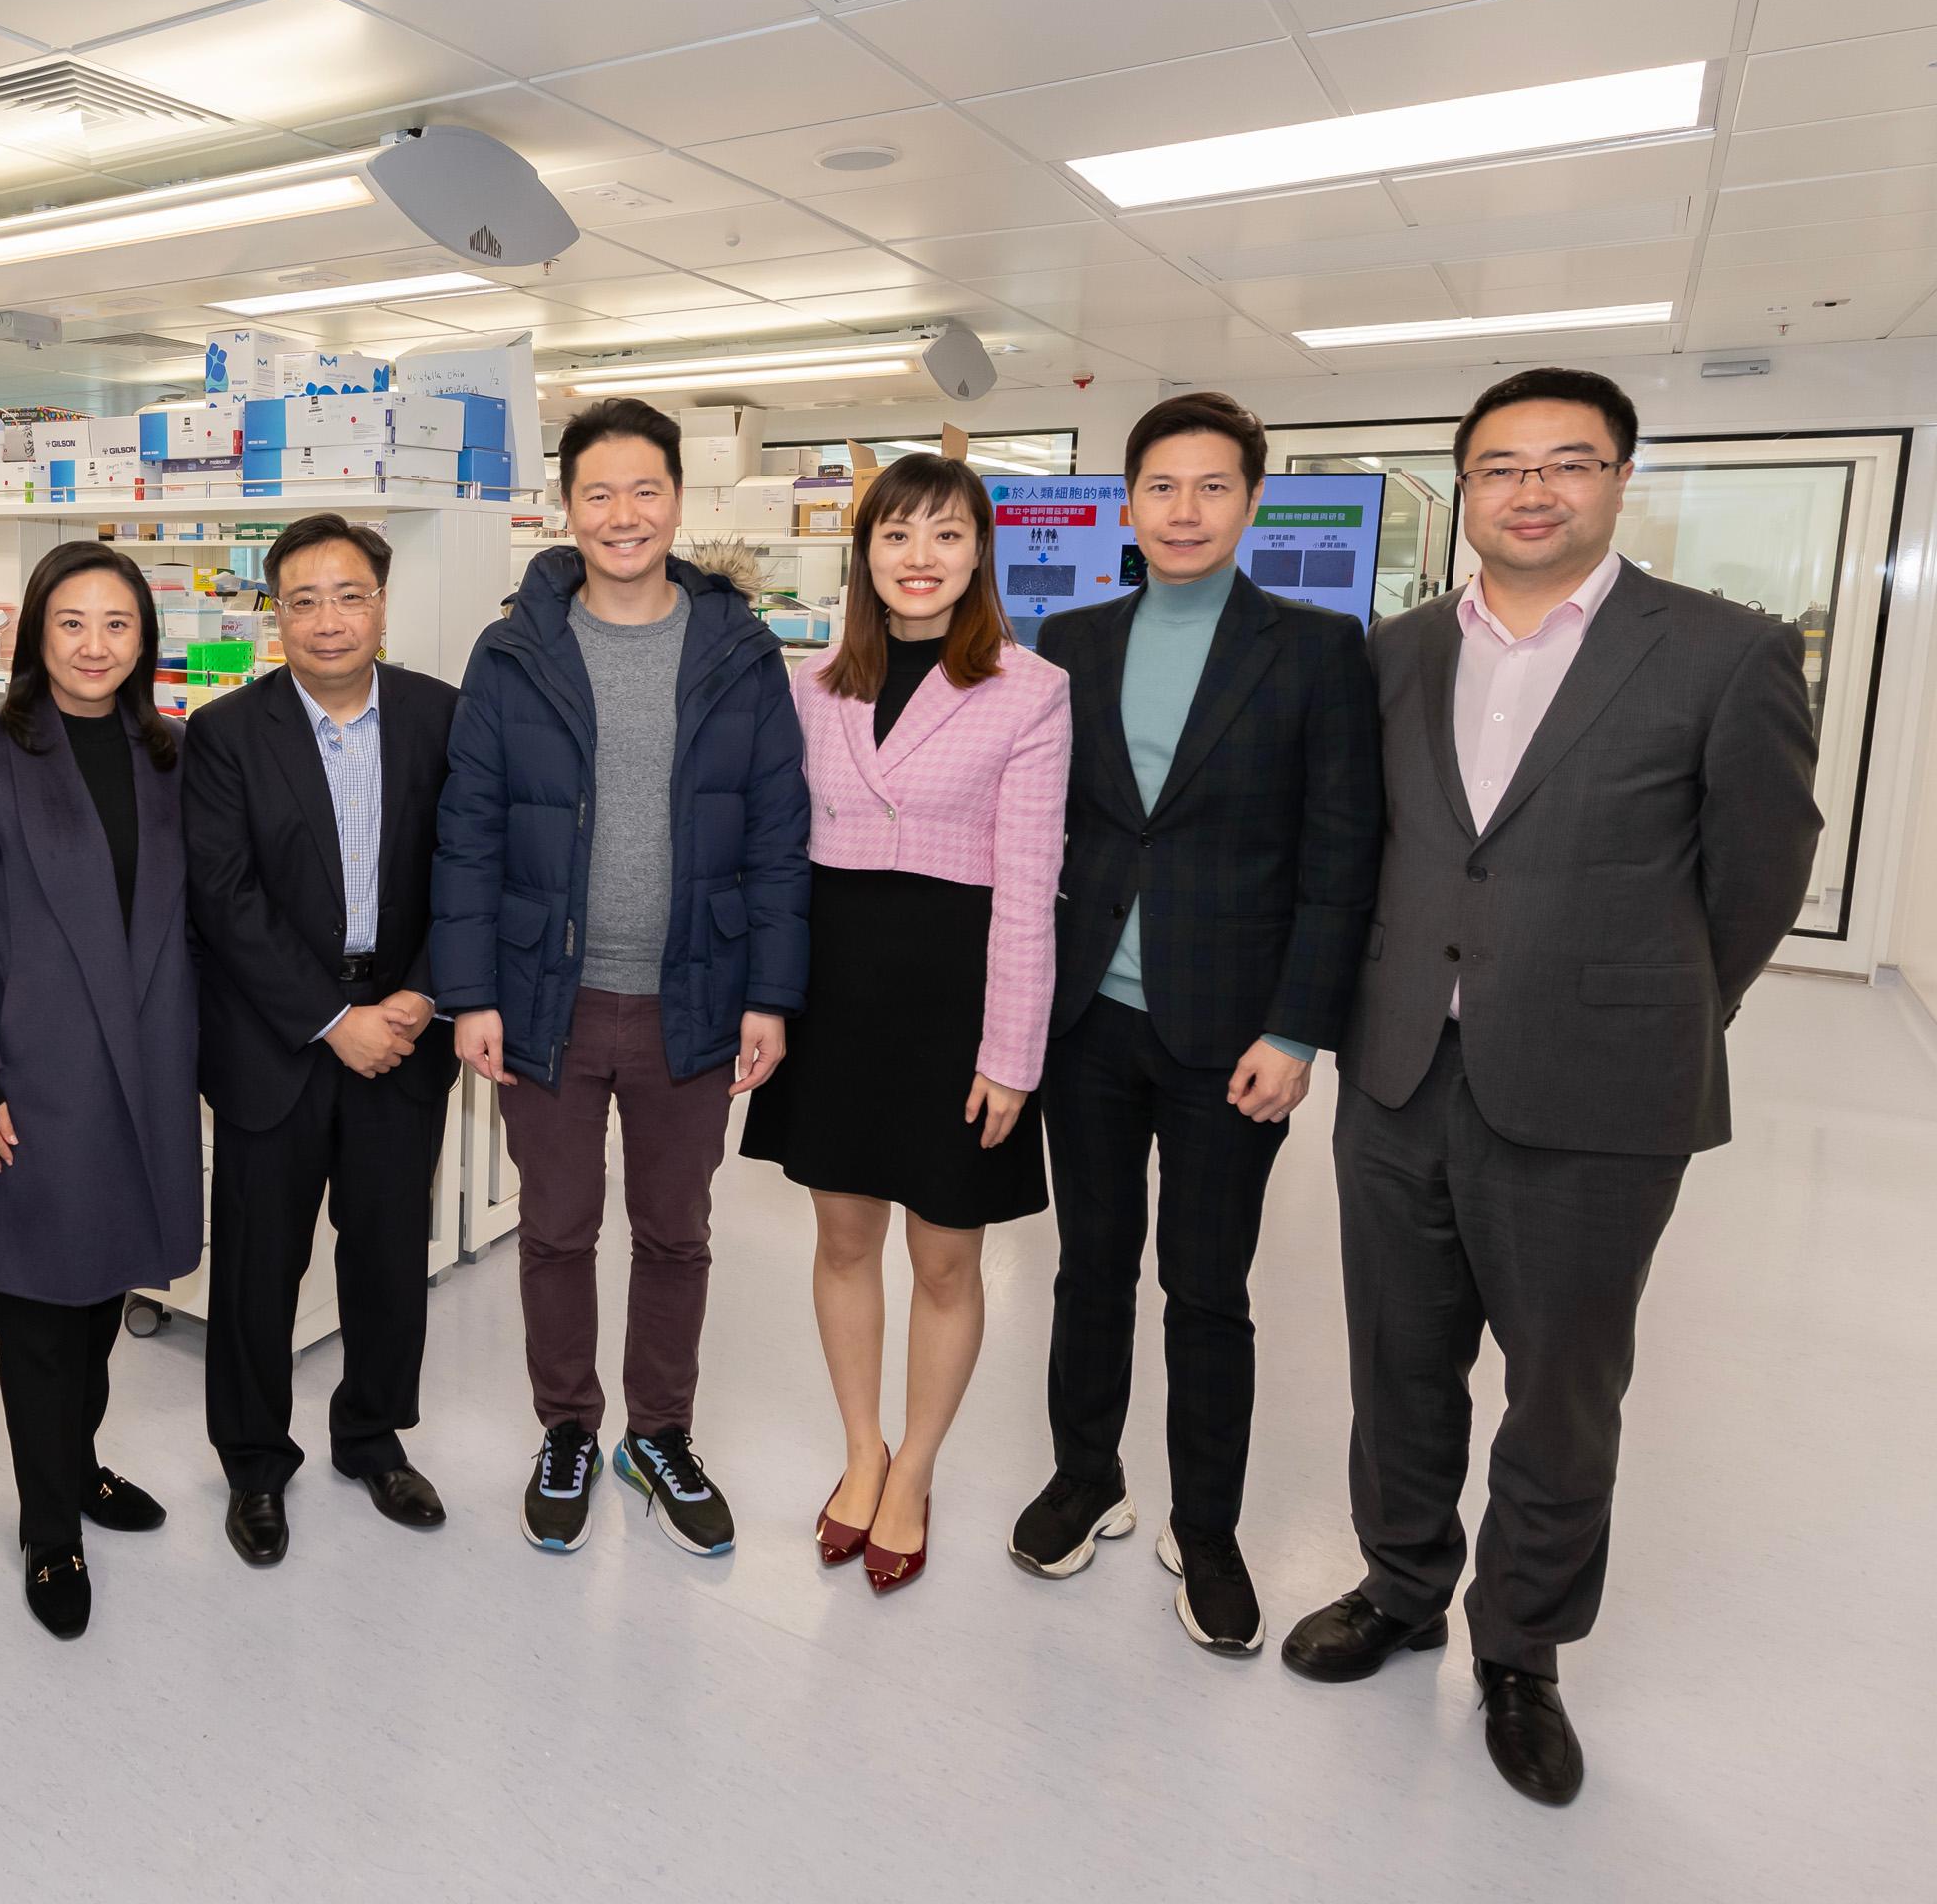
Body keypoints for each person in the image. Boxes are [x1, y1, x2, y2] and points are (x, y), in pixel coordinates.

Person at [1282, 368, 1821, 1805]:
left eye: (1568, 463)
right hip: (1400, 1067)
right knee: (1397, 1356)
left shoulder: (1721, 652)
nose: (1533, 490)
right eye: (1503, 466)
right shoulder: (1392, 654)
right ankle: (1399, 1588)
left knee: (1565, 1386)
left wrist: (1649, 1008)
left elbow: (1760, 874)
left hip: (1597, 1086)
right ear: (1465, 487)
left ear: (1619, 481)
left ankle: (1521, 1648)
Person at [1011, 390, 1380, 1656]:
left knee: (1206, 1284)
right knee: (1089, 1264)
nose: (1183, 509)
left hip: (1235, 1034)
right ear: (1127, 505)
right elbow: (1040, 826)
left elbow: (1342, 857)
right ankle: (1086, 1472)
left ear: (1251, 501)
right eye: (1161, 487)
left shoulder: (1317, 649)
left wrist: (1299, 1029)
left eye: (1211, 486)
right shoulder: (1070, 640)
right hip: (1087, 1020)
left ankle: (1208, 1524)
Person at [432, 396, 811, 1559]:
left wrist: (770, 993)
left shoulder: (740, 652)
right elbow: (471, 831)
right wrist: (472, 993)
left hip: (691, 993)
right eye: (599, 492)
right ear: (566, 507)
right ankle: (566, 1425)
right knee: (554, 1226)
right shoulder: (514, 653)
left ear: (680, 505)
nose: (624, 514)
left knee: (674, 1230)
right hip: (546, 996)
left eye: (646, 490)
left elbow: (778, 832)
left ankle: (661, 1431)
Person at [738, 452, 1068, 1596]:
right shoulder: (814, 679)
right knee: (841, 1236)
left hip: (955, 1001)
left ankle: (915, 1466)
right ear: (863, 554)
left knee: (944, 1251)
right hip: (835, 987)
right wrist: (766, 997)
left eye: (945, 535)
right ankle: (860, 1446)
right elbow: (778, 855)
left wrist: (1012, 1053)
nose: (919, 558)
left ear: (980, 552)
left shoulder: (1030, 688)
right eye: (895, 536)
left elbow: (1030, 885)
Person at [0, 542, 201, 1638]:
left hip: (146, 1068)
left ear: (144, 641)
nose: (94, 645)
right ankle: (48, 1526)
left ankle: (78, 1466)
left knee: (102, 1300)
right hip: (31, 1077)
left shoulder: (169, 754)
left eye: (117, 624)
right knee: (38, 1312)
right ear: (37, 632)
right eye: (71, 622)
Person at [183, 515, 460, 1566]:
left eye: (348, 596)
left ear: (381, 605)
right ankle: (254, 1461)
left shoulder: (441, 716)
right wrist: (331, 1018)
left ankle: (372, 1434)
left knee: (389, 1250)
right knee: (259, 1262)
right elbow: (223, 894)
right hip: (279, 1037)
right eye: (302, 600)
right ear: (275, 614)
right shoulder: (224, 732)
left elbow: (468, 865)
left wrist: (419, 996)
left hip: (404, 1027)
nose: (328, 620)